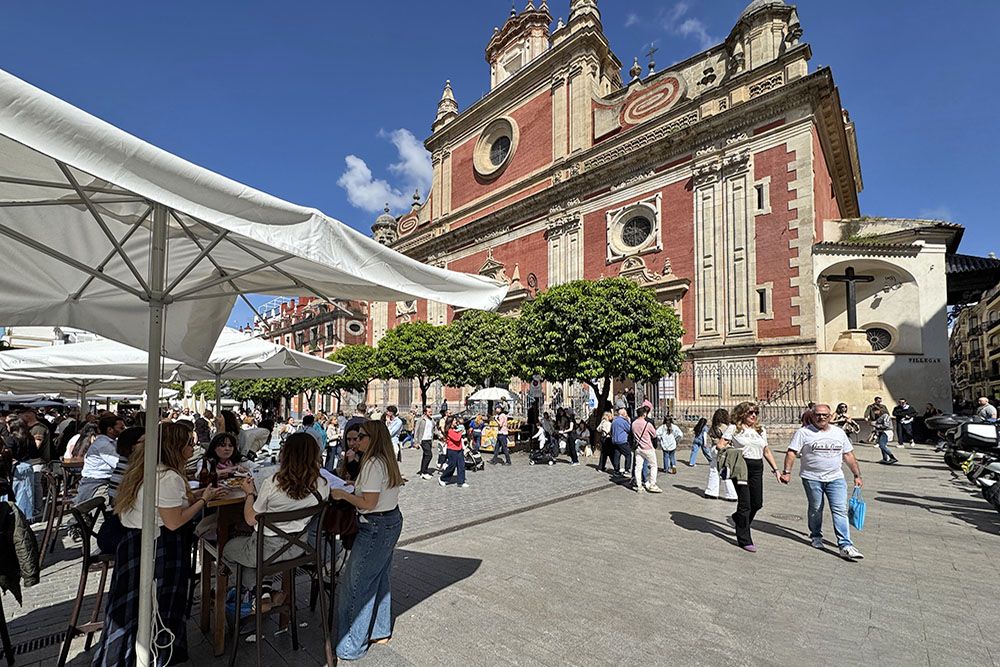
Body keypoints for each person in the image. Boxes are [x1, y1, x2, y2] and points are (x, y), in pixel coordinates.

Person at [94, 422, 226, 666]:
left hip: (135, 542)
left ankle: (125, 657)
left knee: (134, 608)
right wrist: (204, 500)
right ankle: (154, 656)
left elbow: (169, 504)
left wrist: (198, 495)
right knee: (156, 605)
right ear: (175, 447)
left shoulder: (149, 470)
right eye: (189, 444)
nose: (193, 448)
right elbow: (174, 521)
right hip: (157, 545)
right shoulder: (167, 477)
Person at [223, 433, 329, 599]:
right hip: (297, 548)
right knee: (253, 559)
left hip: (266, 549)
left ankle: (257, 591)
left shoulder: (273, 483)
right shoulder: (323, 485)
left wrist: (249, 494)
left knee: (228, 550)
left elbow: (250, 519)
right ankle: (265, 591)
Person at [331, 420, 404, 661]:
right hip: (390, 520)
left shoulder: (372, 463)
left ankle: (352, 644)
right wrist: (354, 486)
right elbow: (375, 493)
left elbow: (368, 504)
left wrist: (343, 493)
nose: (357, 440)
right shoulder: (385, 459)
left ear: (372, 439)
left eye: (362, 436)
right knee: (380, 578)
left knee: (356, 584)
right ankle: (380, 631)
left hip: (374, 525)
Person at [779, 403, 865, 560]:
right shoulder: (803, 433)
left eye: (825, 415)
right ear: (812, 416)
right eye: (818, 415)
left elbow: (848, 455)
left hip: (836, 478)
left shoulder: (839, 433)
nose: (821, 417)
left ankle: (845, 545)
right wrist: (787, 472)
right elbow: (792, 452)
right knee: (816, 509)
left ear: (830, 416)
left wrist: (857, 475)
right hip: (812, 478)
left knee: (839, 510)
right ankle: (816, 535)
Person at [718, 402, 781, 552]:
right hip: (741, 467)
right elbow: (721, 445)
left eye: (756, 413)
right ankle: (744, 539)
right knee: (745, 504)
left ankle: (739, 519)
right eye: (750, 412)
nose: (753, 415)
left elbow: (766, 451)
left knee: (757, 503)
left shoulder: (760, 430)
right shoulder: (734, 428)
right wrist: (733, 451)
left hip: (757, 467)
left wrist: (776, 470)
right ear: (741, 413)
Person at [76, 414, 125, 505]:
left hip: (102, 481)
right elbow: (119, 464)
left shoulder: (111, 442)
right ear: (110, 430)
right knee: (102, 515)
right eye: (121, 428)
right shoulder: (104, 444)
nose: (124, 430)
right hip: (98, 484)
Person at [704, 409, 737, 501]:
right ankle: (732, 494)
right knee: (726, 471)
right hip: (725, 449)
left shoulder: (713, 427)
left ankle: (711, 491)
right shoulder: (727, 427)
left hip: (714, 449)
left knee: (714, 470)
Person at [631, 406, 662, 493]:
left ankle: (639, 485)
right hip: (648, 448)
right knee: (653, 465)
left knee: (638, 467)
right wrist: (655, 445)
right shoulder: (648, 424)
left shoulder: (633, 424)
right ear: (644, 414)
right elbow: (654, 435)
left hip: (638, 448)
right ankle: (652, 484)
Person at [438, 416, 469, 488]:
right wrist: (461, 432)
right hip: (452, 450)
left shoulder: (455, 429)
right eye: (454, 420)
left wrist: (459, 431)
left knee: (461, 466)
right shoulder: (449, 430)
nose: (456, 422)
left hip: (459, 450)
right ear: (451, 422)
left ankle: (461, 482)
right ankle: (442, 478)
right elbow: (457, 438)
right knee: (452, 466)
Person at [414, 406, 436, 480]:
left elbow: (434, 430)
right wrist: (416, 442)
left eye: (431, 411)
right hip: (423, 440)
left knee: (425, 456)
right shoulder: (420, 420)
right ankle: (424, 472)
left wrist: (441, 436)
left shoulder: (432, 420)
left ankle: (422, 471)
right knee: (429, 455)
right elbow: (416, 431)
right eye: (429, 412)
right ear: (425, 412)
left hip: (429, 439)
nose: (431, 413)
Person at [610, 408, 632, 477]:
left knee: (617, 455)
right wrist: (628, 421)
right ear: (623, 414)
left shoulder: (614, 421)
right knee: (628, 454)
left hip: (615, 441)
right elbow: (629, 429)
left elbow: (611, 431)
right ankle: (627, 469)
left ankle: (616, 470)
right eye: (625, 413)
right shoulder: (623, 421)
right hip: (622, 441)